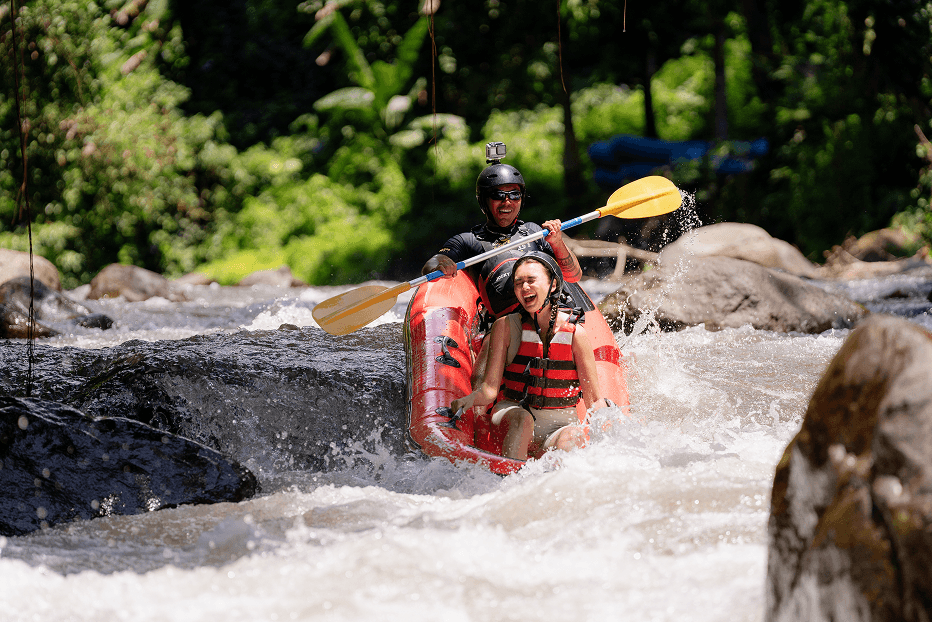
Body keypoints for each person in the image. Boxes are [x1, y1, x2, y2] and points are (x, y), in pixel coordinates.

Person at [450, 252, 608, 461]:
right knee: (522, 419)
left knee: (572, 436)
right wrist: (466, 400)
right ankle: (511, 480)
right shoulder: (505, 327)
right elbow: (489, 390)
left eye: (531, 281)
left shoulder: (576, 335)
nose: (524, 288)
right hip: (512, 413)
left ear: (552, 285)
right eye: (518, 283)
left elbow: (594, 400)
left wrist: (612, 425)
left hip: (560, 425)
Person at [420, 143, 583, 321]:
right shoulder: (468, 241)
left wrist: (557, 242)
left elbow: (574, 276)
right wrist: (441, 262)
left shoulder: (534, 232)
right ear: (483, 201)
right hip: (506, 324)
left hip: (547, 317)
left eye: (514, 195)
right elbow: (429, 266)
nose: (507, 202)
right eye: (498, 195)